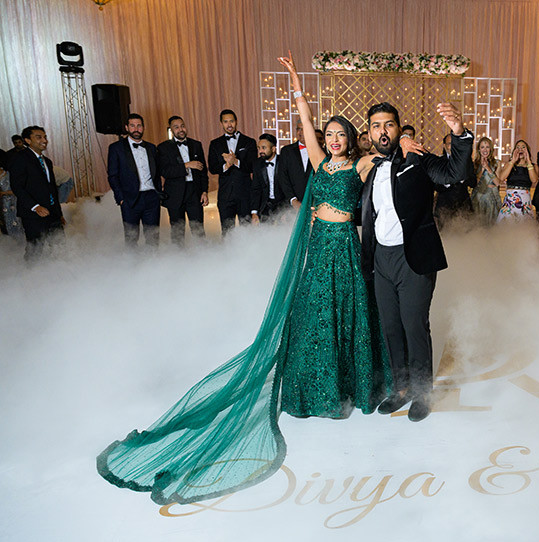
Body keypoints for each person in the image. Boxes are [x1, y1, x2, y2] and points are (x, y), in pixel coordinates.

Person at [96, 52, 402, 505]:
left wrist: (408, 144)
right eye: (330, 135)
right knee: (314, 318)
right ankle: (310, 390)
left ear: (352, 140)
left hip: (343, 246)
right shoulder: (318, 160)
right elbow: (304, 122)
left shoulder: (361, 165)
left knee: (346, 314)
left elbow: (386, 153)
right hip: (318, 248)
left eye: (342, 135)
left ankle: (346, 386)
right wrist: (297, 85)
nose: (334, 140)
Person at [360, 103, 472, 422]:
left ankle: (423, 392)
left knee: (414, 326)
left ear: (399, 128)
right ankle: (401, 388)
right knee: (391, 327)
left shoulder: (417, 158)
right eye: (376, 125)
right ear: (369, 133)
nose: (383, 130)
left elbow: (456, 173)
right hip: (380, 257)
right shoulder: (367, 167)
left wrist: (459, 132)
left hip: (413, 257)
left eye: (389, 124)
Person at [7, 126, 65, 259]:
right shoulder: (19, 158)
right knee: (35, 250)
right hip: (33, 215)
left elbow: (52, 189)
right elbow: (17, 187)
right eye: (38, 137)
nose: (44, 140)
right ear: (27, 140)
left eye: (45, 137)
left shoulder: (47, 161)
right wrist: (35, 207)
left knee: (59, 247)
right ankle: (31, 276)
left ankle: (61, 275)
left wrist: (59, 213)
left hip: (53, 214)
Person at [107, 114, 161, 247]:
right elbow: (112, 175)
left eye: (139, 125)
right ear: (127, 127)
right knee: (131, 239)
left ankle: (154, 266)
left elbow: (157, 173)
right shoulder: (116, 148)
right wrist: (120, 198)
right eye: (132, 125)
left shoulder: (152, 148)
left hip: (151, 198)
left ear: (143, 127)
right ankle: (133, 266)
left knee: (153, 237)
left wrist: (158, 193)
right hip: (129, 199)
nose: (136, 129)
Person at [157, 116, 208, 245]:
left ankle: (204, 258)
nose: (181, 129)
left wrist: (204, 191)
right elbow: (165, 171)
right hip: (175, 194)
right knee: (177, 232)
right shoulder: (163, 147)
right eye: (176, 127)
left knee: (198, 230)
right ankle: (179, 261)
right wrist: (186, 165)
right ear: (171, 130)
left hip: (194, 193)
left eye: (182, 126)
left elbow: (203, 172)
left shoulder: (196, 144)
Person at [208, 109, 256, 234]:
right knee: (227, 233)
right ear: (221, 123)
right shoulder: (215, 144)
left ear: (236, 122)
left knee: (247, 232)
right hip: (225, 196)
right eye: (226, 122)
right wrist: (226, 165)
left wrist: (236, 161)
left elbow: (253, 166)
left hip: (245, 195)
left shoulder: (249, 142)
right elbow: (212, 168)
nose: (229, 125)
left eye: (232, 121)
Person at [433, 133, 476, 228]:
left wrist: (463, 179)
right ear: (444, 146)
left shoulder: (466, 162)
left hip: (464, 206)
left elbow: (473, 182)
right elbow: (435, 185)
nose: (452, 147)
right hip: (444, 207)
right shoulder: (438, 162)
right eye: (449, 144)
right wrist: (447, 182)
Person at [497, 140, 537, 221]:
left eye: (523, 147)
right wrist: (513, 161)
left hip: (525, 200)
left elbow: (534, 180)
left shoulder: (533, 166)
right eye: (518, 147)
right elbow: (501, 178)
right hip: (510, 201)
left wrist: (528, 161)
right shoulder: (509, 164)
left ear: (527, 151)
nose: (520, 149)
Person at [277, 120, 313, 210]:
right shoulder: (286, 151)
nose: (301, 132)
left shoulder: (321, 152)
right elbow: (282, 177)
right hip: (291, 206)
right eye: (299, 129)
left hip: (314, 204)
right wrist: (293, 200)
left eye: (304, 129)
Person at [250, 133, 284, 224]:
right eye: (259, 148)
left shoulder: (284, 162)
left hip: (283, 205)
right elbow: (256, 189)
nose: (260, 151)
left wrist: (288, 209)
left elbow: (289, 187)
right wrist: (254, 212)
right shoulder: (257, 164)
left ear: (273, 149)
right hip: (265, 206)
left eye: (263, 148)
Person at [470, 136, 501, 226]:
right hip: (478, 198)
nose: (485, 149)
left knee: (492, 227)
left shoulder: (497, 163)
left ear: (491, 149)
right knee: (478, 226)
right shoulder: (474, 164)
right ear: (479, 149)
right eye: (482, 147)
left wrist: (488, 168)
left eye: (487, 147)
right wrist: (482, 169)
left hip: (492, 198)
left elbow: (497, 182)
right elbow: (475, 182)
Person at [0, 155, 24, 238]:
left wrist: (3, 193)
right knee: (5, 224)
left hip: (12, 203)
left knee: (15, 221)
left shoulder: (9, 174)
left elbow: (17, 190)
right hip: (2, 205)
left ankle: (18, 242)